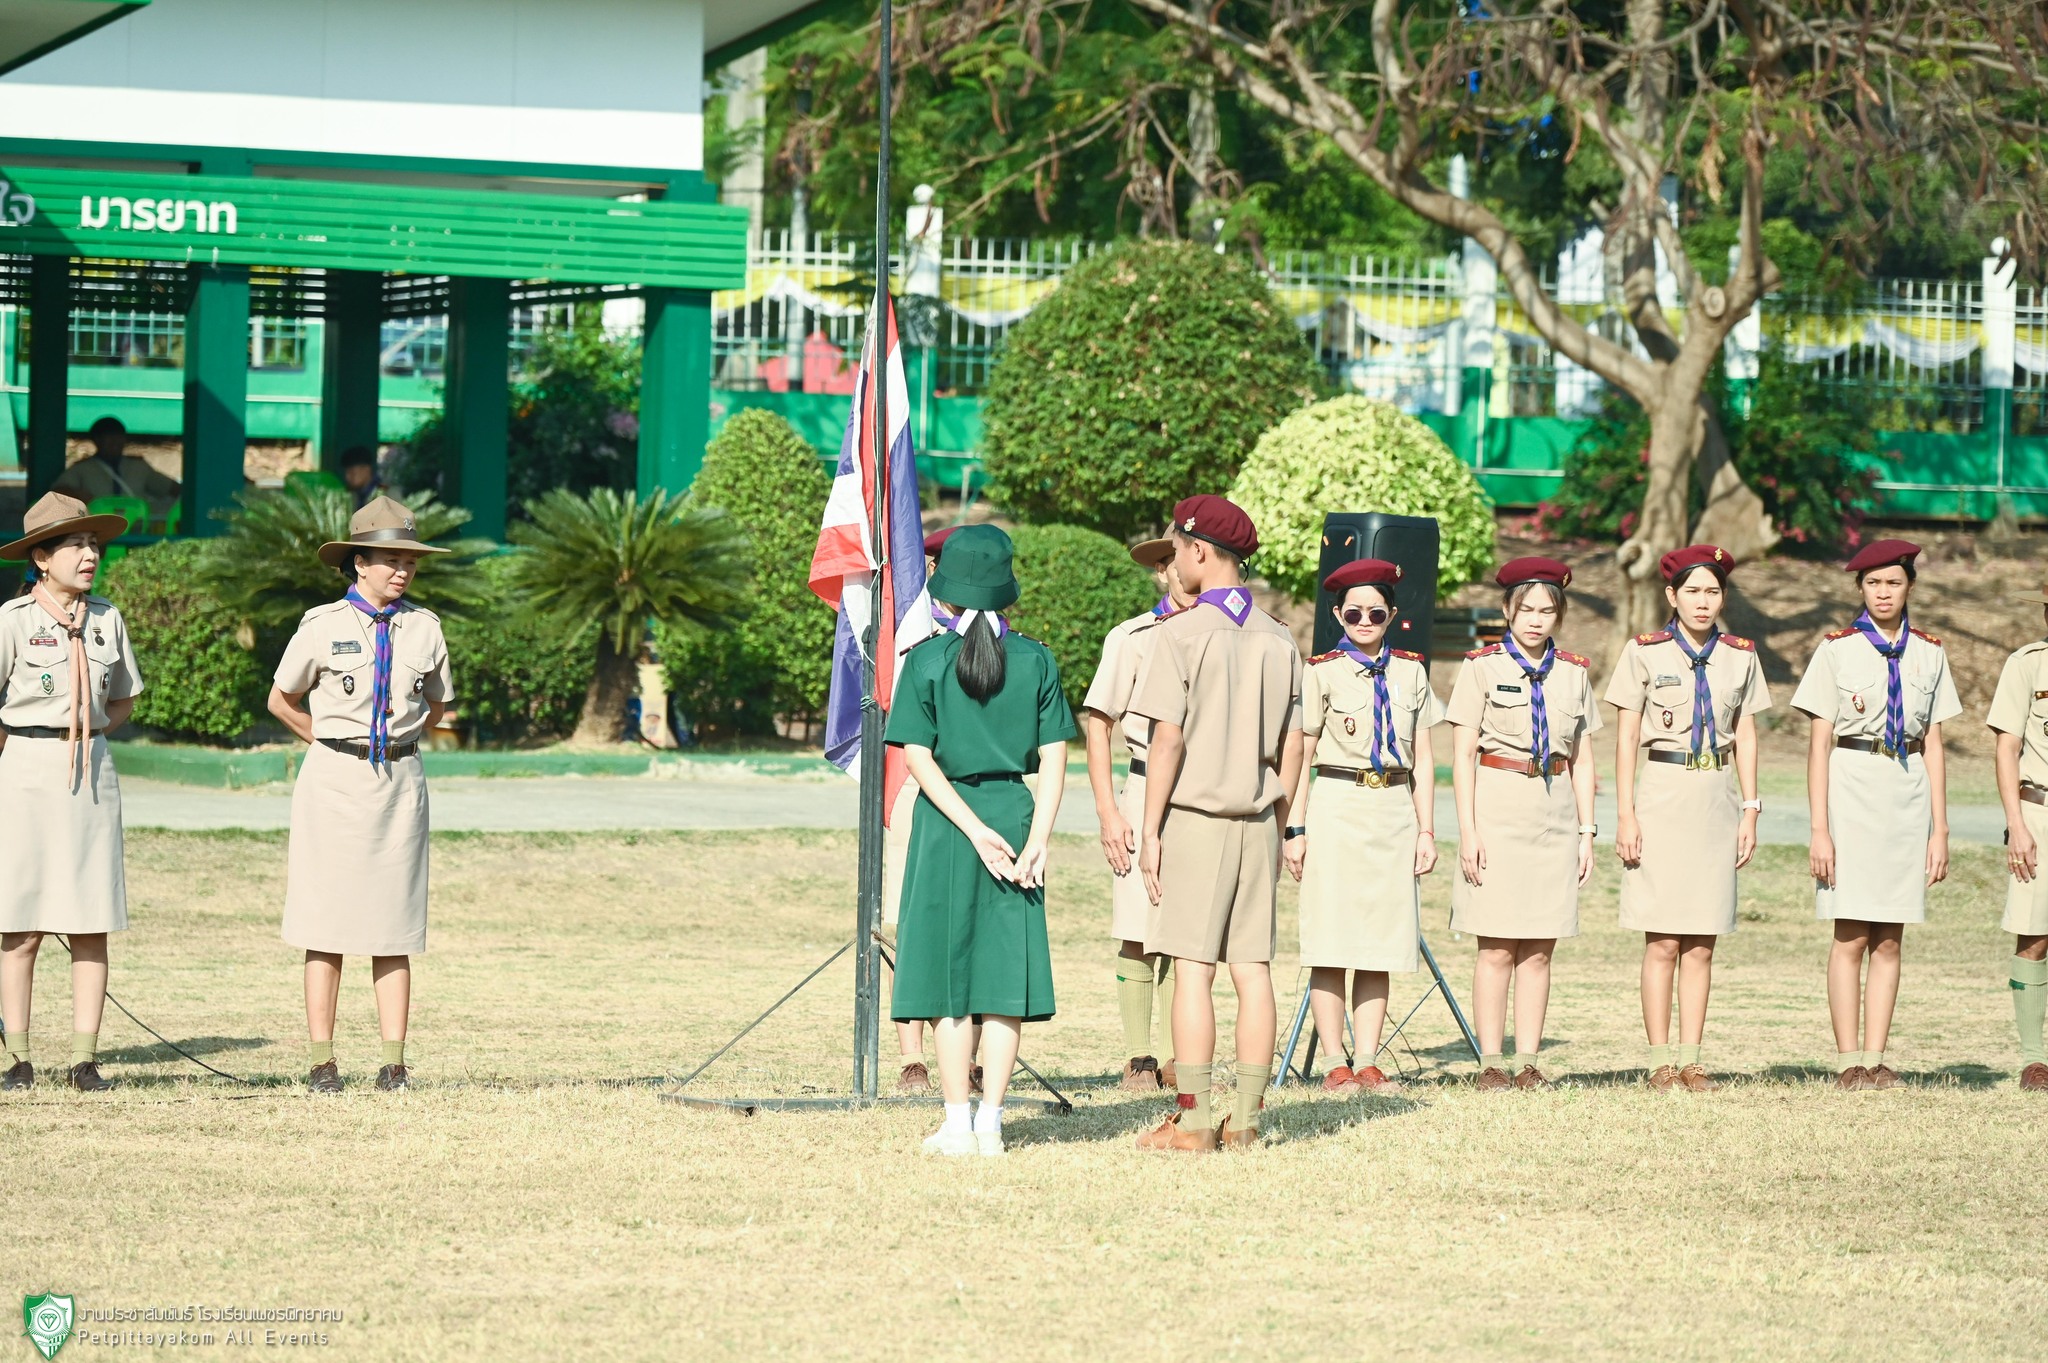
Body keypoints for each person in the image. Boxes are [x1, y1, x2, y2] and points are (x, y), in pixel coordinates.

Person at [886, 526, 1074, 1156]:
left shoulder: (926, 660)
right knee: (1003, 977)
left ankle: (957, 1122)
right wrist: (1038, 838)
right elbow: (1054, 757)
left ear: (946, 590)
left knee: (949, 976)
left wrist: (970, 828)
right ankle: (991, 1123)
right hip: (1015, 817)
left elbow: (917, 757)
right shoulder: (1037, 660)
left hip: (948, 825)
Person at [1130, 495, 1304, 1152]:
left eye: (1177, 549)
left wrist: (1150, 829)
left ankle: (1195, 1120)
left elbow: (1167, 741)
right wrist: (1284, 822)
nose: (1175, 561)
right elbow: (1294, 744)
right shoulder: (1280, 637)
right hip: (1258, 819)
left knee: (1194, 969)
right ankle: (1248, 1120)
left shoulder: (1178, 634)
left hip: (1196, 819)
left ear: (1199, 550)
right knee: (1253, 971)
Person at [266, 496, 454, 1094]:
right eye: (391, 560)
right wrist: (328, 742)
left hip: (400, 782)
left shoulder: (425, 628)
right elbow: (281, 700)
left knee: (394, 924)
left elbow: (437, 704)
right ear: (359, 562)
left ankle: (394, 1062)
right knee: (325, 924)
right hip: (333, 783)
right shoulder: (322, 625)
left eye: (410, 561)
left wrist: (397, 739)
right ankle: (322, 1061)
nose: (402, 570)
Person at [1792, 538, 1959, 1092]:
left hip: (1906, 793)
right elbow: (1818, 745)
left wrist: (1939, 828)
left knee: (1890, 935)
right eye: (1873, 583)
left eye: (1893, 582)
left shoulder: (1930, 653)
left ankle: (1876, 1057)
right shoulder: (1836, 650)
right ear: (1860, 588)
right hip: (1851, 789)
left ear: (1910, 586)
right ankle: (1848, 1062)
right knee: (1851, 934)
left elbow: (1934, 744)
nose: (1883, 592)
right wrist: (1820, 829)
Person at [1605, 545, 1771, 1093]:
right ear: (1671, 596)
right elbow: (1627, 736)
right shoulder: (1644, 653)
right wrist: (1626, 814)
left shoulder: (1741, 656)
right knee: (1662, 940)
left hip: (1715, 797)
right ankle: (1660, 1061)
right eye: (1693, 591)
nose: (1704, 602)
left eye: (1713, 592)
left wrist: (1750, 808)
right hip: (1662, 794)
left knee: (1702, 940)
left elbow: (1745, 734)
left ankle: (1692, 1060)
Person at [1284, 558, 1443, 1095]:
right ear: (1338, 615)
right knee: (1331, 941)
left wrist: (1426, 830)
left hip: (1393, 809)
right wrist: (1295, 829)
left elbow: (1424, 757)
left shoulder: (1412, 672)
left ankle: (1369, 1059)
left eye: (1376, 612)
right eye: (1353, 613)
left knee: (1381, 942)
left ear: (1392, 615)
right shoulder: (1321, 670)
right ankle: (1335, 1063)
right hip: (1336, 805)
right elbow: (1302, 754)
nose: (1365, 621)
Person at [0, 493, 143, 1092]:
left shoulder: (107, 619)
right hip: (26, 769)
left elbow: (124, 698)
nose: (90, 556)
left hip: (91, 771)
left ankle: (85, 1059)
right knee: (20, 923)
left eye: (94, 545)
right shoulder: (12, 620)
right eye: (75, 546)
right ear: (40, 557)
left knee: (91, 918)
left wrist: (90, 730)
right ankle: (19, 1058)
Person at [1447, 557, 1600, 1092]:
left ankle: (1529, 1061)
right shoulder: (1481, 667)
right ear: (1507, 610)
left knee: (1539, 947)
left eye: (1547, 611)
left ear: (1560, 615)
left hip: (1554, 814)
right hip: (1497, 807)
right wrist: (1468, 831)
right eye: (1526, 609)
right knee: (1495, 946)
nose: (1536, 619)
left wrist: (1586, 833)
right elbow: (1461, 755)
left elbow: (1583, 759)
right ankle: (1491, 1062)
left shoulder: (1574, 673)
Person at [1079, 534, 1195, 1092]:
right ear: (1161, 572)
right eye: (1171, 564)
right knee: (1136, 926)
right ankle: (1139, 1055)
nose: (1183, 572)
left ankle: (1177, 1055)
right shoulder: (1132, 638)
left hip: (1200, 791)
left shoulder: (1223, 635)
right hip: (1144, 785)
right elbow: (1098, 723)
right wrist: (1108, 811)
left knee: (1186, 931)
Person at [884, 525, 962, 1094]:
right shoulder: (913, 637)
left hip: (976, 790)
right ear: (930, 569)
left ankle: (969, 1053)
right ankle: (912, 1056)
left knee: (967, 926)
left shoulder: (1001, 639)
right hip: (917, 787)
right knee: (907, 925)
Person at [1988, 583, 2048, 1094]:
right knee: (2034, 935)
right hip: (2039, 811)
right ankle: (2034, 1060)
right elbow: (2007, 748)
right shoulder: (2027, 664)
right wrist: (2017, 824)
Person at [52, 417, 181, 522]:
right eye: (109, 437)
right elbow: (58, 492)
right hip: (99, 529)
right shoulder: (82, 469)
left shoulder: (139, 467)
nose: (115, 441)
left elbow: (173, 488)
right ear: (97, 440)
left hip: (137, 529)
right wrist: (79, 496)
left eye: (119, 436)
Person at [340, 446, 386, 510]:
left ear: (366, 469)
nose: (347, 477)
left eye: (352, 473)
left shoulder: (386, 494)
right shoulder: (353, 496)